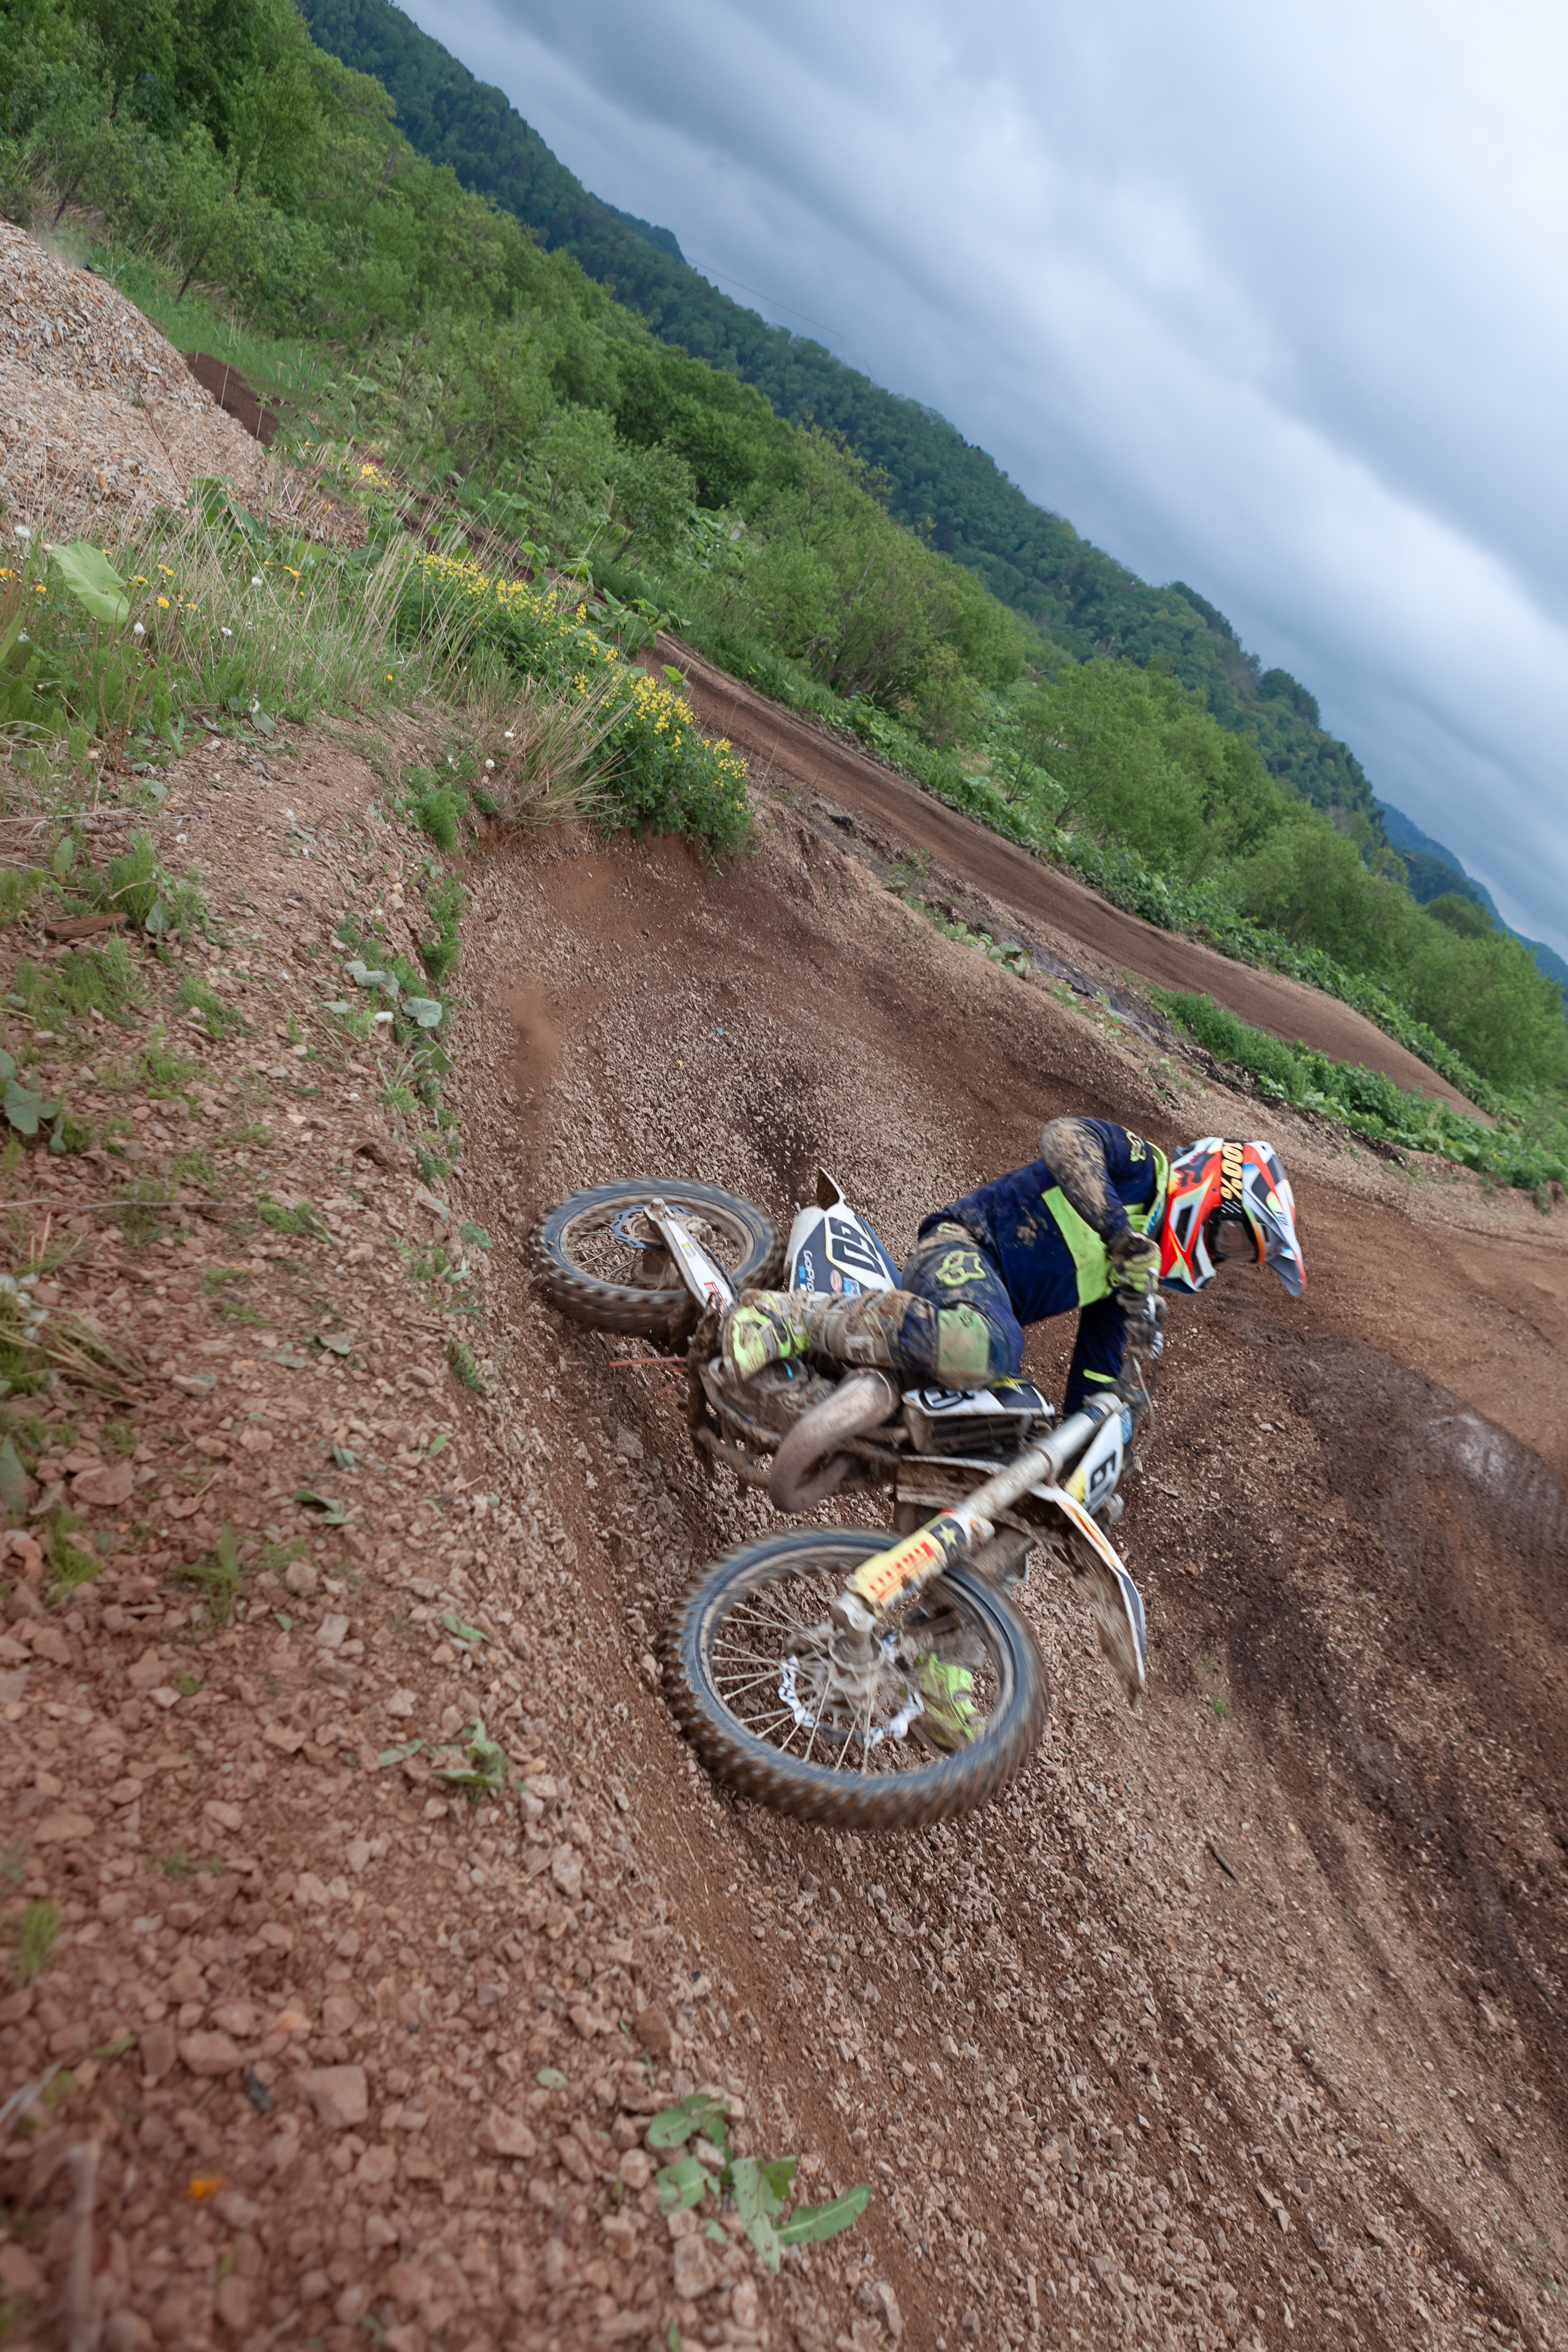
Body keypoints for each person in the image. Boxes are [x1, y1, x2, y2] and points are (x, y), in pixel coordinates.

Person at [722, 1120, 1305, 1411]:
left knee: (1012, 1430)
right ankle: (787, 1316)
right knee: (994, 1348)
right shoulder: (1141, 1168)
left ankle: (948, 1629)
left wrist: (1091, 1455)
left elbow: (1093, 1383)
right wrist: (1117, 1231)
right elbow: (1064, 1138)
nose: (1222, 1254)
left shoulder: (1128, 1281)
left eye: (1236, 1255)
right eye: (1232, 1236)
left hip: (982, 1301)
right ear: (1214, 1187)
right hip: (963, 1247)